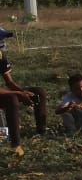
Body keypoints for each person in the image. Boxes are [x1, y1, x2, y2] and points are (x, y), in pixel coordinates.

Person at [0, 27, 47, 158]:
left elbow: (9, 82)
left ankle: (42, 130)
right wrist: (18, 95)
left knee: (38, 92)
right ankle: (15, 145)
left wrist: (23, 92)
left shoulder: (1, 56)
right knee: (12, 99)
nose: (2, 41)